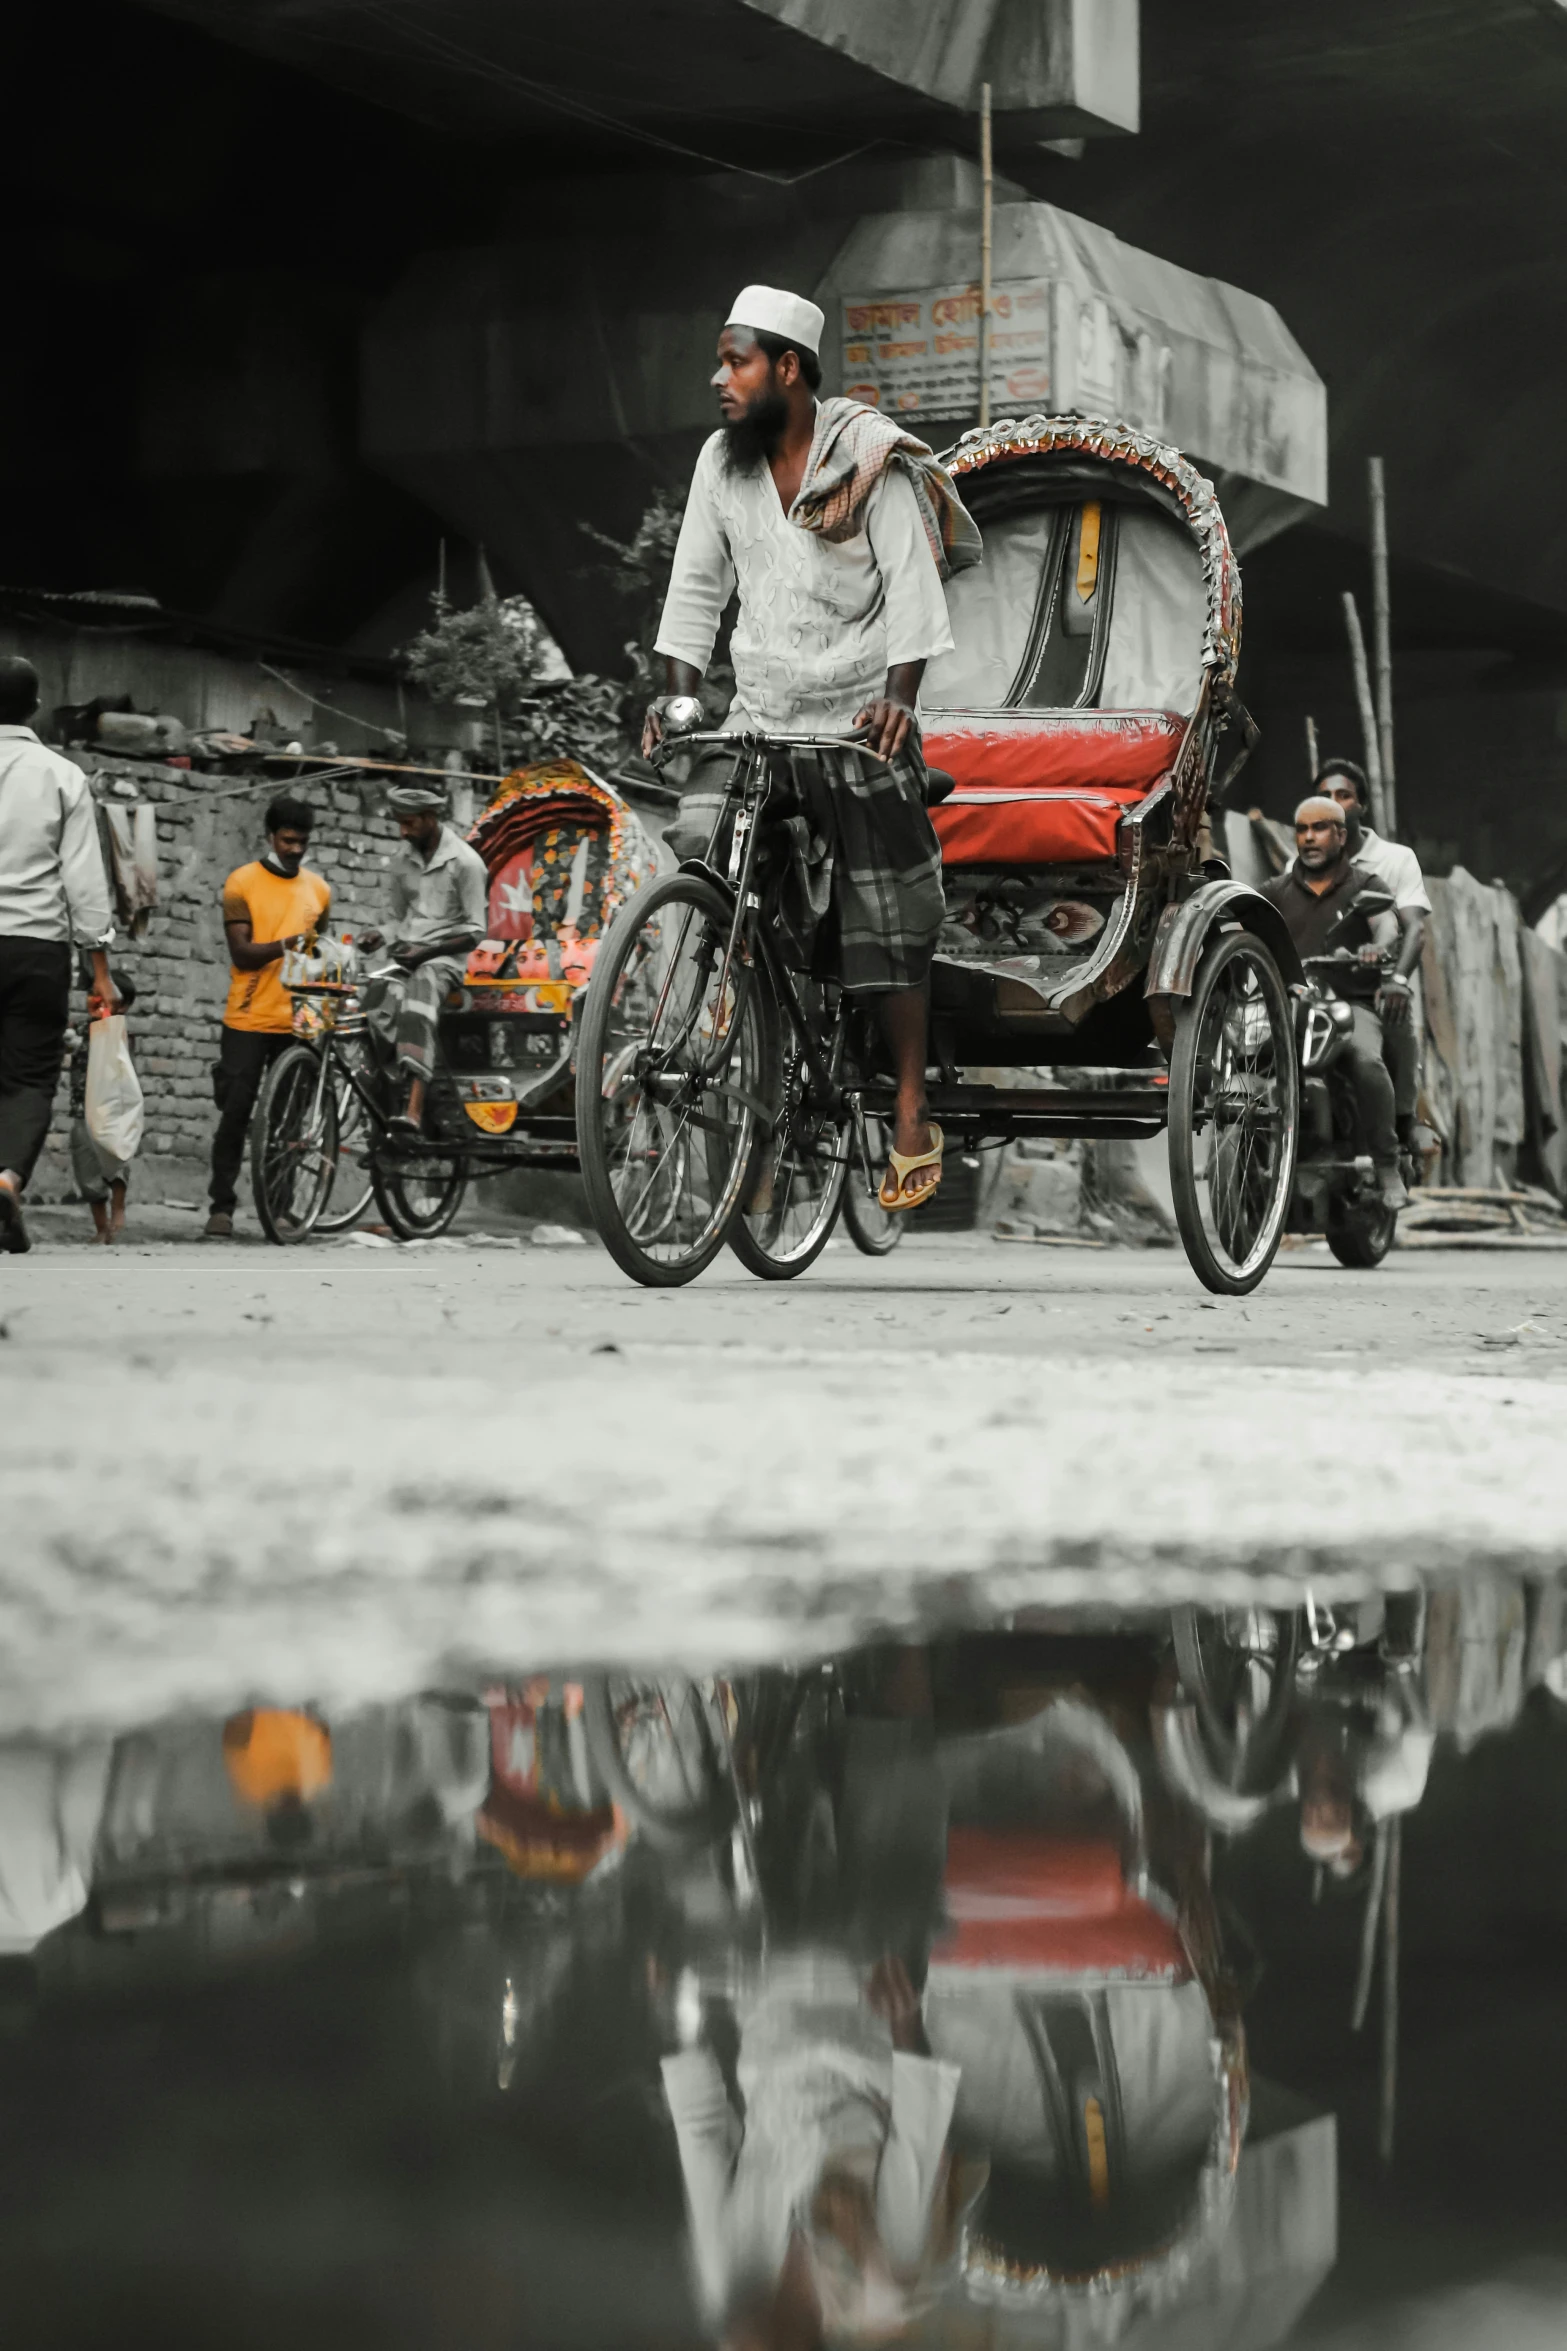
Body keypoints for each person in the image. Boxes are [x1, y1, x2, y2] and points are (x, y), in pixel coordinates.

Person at [647, 284, 981, 1215]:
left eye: (735, 360)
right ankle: (741, 1022)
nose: (719, 379)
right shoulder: (723, 463)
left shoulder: (870, 462)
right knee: (703, 843)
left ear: (787, 368)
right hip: (760, 713)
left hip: (853, 721)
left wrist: (898, 704)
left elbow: (915, 596)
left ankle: (910, 1103)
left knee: (885, 909)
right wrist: (675, 694)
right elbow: (693, 592)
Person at [0, 654, 119, 1254]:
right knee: (26, 1078)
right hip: (36, 948)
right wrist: (99, 971)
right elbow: (84, 883)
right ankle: (8, 1177)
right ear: (35, 707)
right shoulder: (62, 775)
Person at [1263, 795, 1408, 1209]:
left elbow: (1387, 928)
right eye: (1302, 829)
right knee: (1239, 1062)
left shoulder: (1367, 887)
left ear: (1341, 835)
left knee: (1365, 1060)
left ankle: (1385, 1162)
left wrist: (1376, 949)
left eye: (1320, 828)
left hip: (1352, 1005)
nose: (1309, 838)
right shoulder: (1275, 891)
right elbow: (1241, 920)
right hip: (1289, 1005)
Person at [205, 795, 331, 1238]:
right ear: (270, 836)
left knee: (290, 1123)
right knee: (236, 1113)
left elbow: (318, 955)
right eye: (287, 840)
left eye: (302, 842)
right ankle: (220, 1206)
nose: (295, 849)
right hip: (247, 1017)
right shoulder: (241, 883)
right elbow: (242, 955)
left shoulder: (319, 891)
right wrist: (292, 943)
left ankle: (280, 1208)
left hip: (298, 1023)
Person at [358, 784, 488, 1132]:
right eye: (399, 823)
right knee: (369, 999)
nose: (403, 831)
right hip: (405, 959)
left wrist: (426, 953)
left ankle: (414, 1109)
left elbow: (475, 932)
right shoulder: (402, 863)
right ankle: (384, 1097)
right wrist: (379, 935)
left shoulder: (466, 863)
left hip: (443, 963)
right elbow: (397, 919)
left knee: (418, 996)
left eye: (410, 823)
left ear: (431, 818)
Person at [1313, 757, 1428, 1149]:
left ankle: (1403, 1122)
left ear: (1361, 805)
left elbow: (1414, 926)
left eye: (1343, 796)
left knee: (1386, 1033)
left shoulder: (1395, 860)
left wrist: (1398, 979)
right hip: (1320, 991)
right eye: (1324, 797)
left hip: (1375, 988)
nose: (1333, 803)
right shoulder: (1308, 864)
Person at [66, 964, 138, 1243]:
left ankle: (118, 1210)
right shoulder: (79, 1030)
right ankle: (101, 1227)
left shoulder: (120, 1032)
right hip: (82, 1110)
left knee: (116, 1160)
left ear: (122, 1005)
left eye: (102, 995)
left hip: (112, 1110)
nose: (95, 1000)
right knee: (87, 1170)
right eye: (91, 994)